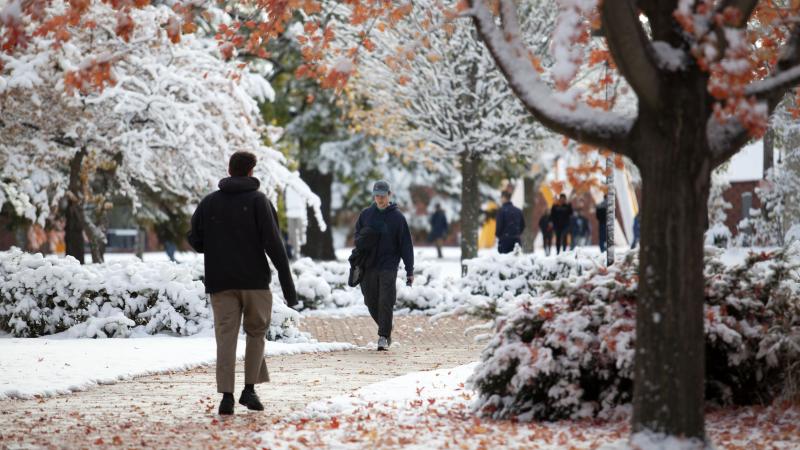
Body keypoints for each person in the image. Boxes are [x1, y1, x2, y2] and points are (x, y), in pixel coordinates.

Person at [188, 151, 297, 416]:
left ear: (229, 169)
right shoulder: (259, 201)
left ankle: (226, 396)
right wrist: (288, 284)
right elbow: (273, 243)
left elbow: (195, 239)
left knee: (225, 338)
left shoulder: (209, 203)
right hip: (254, 281)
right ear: (251, 172)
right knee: (256, 333)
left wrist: (217, 243)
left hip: (220, 281)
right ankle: (249, 390)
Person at [354, 180, 414, 351]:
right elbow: (356, 238)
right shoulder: (366, 214)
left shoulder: (397, 218)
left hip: (388, 265)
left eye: (383, 196)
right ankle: (385, 325)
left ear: (389, 195)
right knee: (370, 301)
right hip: (368, 265)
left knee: (385, 300)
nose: (380, 199)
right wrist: (364, 238)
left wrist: (410, 271)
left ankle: (383, 336)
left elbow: (406, 245)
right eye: (377, 196)